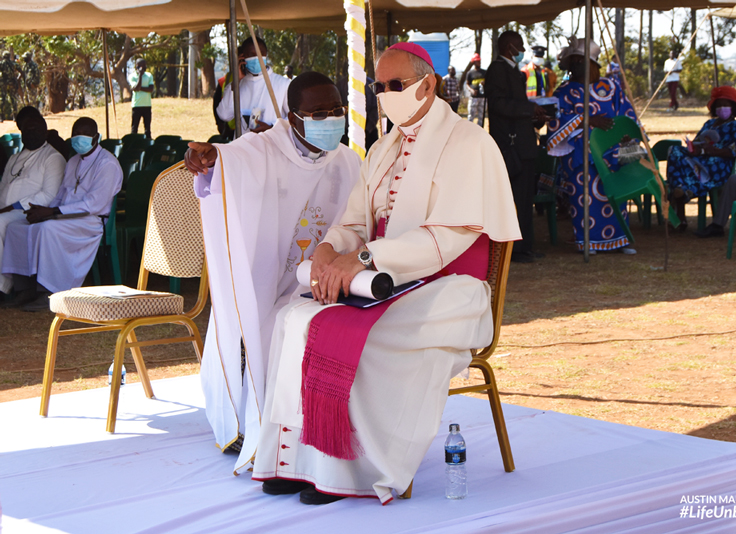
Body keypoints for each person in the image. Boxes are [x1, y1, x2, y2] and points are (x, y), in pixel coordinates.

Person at [251, 42, 520, 505]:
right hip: (385, 280)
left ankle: (349, 467)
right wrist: (330, 250)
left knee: (356, 333)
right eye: (380, 87)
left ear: (429, 84)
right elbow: (355, 221)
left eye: (397, 85)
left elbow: (446, 238)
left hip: (451, 287)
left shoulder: (470, 144)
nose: (387, 94)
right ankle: (298, 460)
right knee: (295, 318)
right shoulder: (383, 149)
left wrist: (364, 260)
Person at [184, 72, 361, 474]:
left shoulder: (348, 161)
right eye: (317, 113)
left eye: (336, 111)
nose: (330, 119)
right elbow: (228, 159)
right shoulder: (263, 149)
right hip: (270, 280)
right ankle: (256, 424)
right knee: (264, 323)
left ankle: (313, 429)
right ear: (292, 116)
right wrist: (210, 158)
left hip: (322, 282)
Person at [1, 118, 122, 310]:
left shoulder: (107, 164)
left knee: (48, 229)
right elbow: (61, 195)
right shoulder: (73, 161)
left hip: (90, 221)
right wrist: (43, 212)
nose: (78, 139)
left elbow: (93, 204)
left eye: (84, 135)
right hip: (64, 216)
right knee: (17, 227)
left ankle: (50, 291)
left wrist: (54, 212)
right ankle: (25, 289)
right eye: (75, 135)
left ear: (96, 137)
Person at [547, 36, 638, 254]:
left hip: (613, 151)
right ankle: (588, 241)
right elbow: (556, 121)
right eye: (574, 61)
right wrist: (587, 120)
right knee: (585, 197)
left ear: (592, 63)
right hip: (581, 154)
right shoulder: (564, 91)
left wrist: (627, 134)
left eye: (581, 61)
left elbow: (626, 113)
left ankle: (620, 240)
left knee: (615, 194)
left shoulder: (611, 86)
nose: (577, 65)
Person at [486, 30, 549, 263]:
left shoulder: (513, 70)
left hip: (523, 143)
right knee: (514, 199)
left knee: (524, 198)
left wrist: (536, 116)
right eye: (519, 45)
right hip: (510, 145)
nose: (522, 50)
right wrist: (527, 109)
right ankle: (515, 249)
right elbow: (499, 104)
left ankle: (524, 246)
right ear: (508, 47)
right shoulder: (497, 70)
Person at [0, 113, 65, 297]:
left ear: (45, 132)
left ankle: (2, 286)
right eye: (27, 130)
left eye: (36, 129)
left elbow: (48, 196)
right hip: (5, 210)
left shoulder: (53, 158)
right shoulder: (14, 158)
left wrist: (12, 207)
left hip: (29, 212)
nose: (31, 133)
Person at [667, 86, 736, 231]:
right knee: (675, 151)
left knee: (690, 168)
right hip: (700, 159)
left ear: (733, 107)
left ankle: (683, 194)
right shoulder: (709, 124)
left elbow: (732, 151)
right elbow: (697, 142)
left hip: (719, 163)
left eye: (726, 105)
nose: (722, 108)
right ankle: (681, 190)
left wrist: (713, 150)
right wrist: (695, 148)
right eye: (719, 105)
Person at [216, 36, 291, 134]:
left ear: (266, 55)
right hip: (243, 145)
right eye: (252, 54)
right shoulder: (236, 86)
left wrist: (271, 128)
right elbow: (224, 115)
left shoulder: (282, 83)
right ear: (243, 57)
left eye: (261, 53)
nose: (257, 58)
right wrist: (236, 82)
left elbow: (293, 118)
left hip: (270, 145)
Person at [130, 58, 154, 139]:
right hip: (137, 105)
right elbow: (136, 87)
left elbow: (151, 89)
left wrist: (140, 88)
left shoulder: (149, 75)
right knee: (134, 128)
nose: (143, 67)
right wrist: (140, 75)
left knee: (147, 129)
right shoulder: (133, 76)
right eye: (141, 66)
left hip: (147, 105)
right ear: (137, 66)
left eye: (144, 65)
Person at [462, 54, 486, 127]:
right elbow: (467, 84)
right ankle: (470, 130)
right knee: (471, 115)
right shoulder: (470, 73)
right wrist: (471, 90)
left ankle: (480, 131)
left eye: (479, 61)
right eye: (477, 61)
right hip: (473, 98)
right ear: (474, 62)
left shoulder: (484, 72)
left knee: (481, 116)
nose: (479, 62)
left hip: (482, 98)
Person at [0, 50, 22, 122]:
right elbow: (21, 72)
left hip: (4, 83)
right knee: (13, 99)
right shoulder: (13, 63)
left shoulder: (1, 64)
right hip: (12, 83)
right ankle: (15, 117)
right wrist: (18, 78)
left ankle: (1, 117)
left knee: (2, 99)